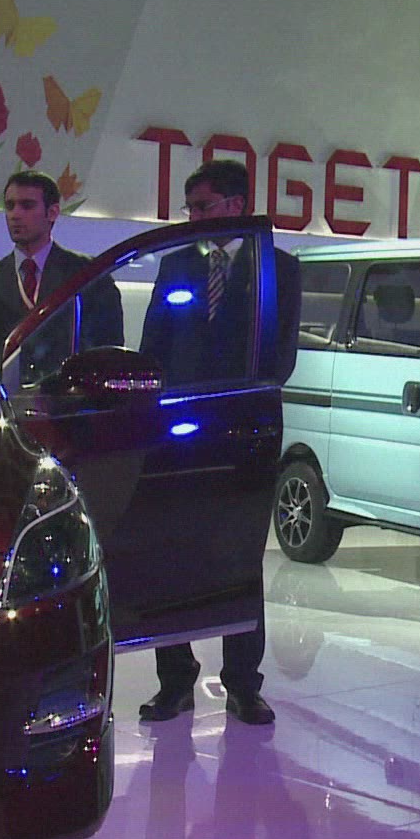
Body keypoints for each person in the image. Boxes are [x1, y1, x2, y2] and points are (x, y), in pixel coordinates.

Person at [135, 158, 276, 726]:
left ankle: (243, 683)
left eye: (204, 206)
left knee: (241, 557)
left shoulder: (275, 269)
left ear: (237, 206)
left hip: (245, 432)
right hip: (178, 431)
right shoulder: (176, 265)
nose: (193, 217)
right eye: (189, 207)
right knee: (170, 552)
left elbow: (280, 356)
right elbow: (153, 348)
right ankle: (175, 680)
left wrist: (233, 403)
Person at [0, 169, 122, 379]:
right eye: (10, 206)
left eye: (27, 205)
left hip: (75, 392)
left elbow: (109, 351)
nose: (15, 215)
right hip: (15, 394)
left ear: (52, 212)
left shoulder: (89, 274)